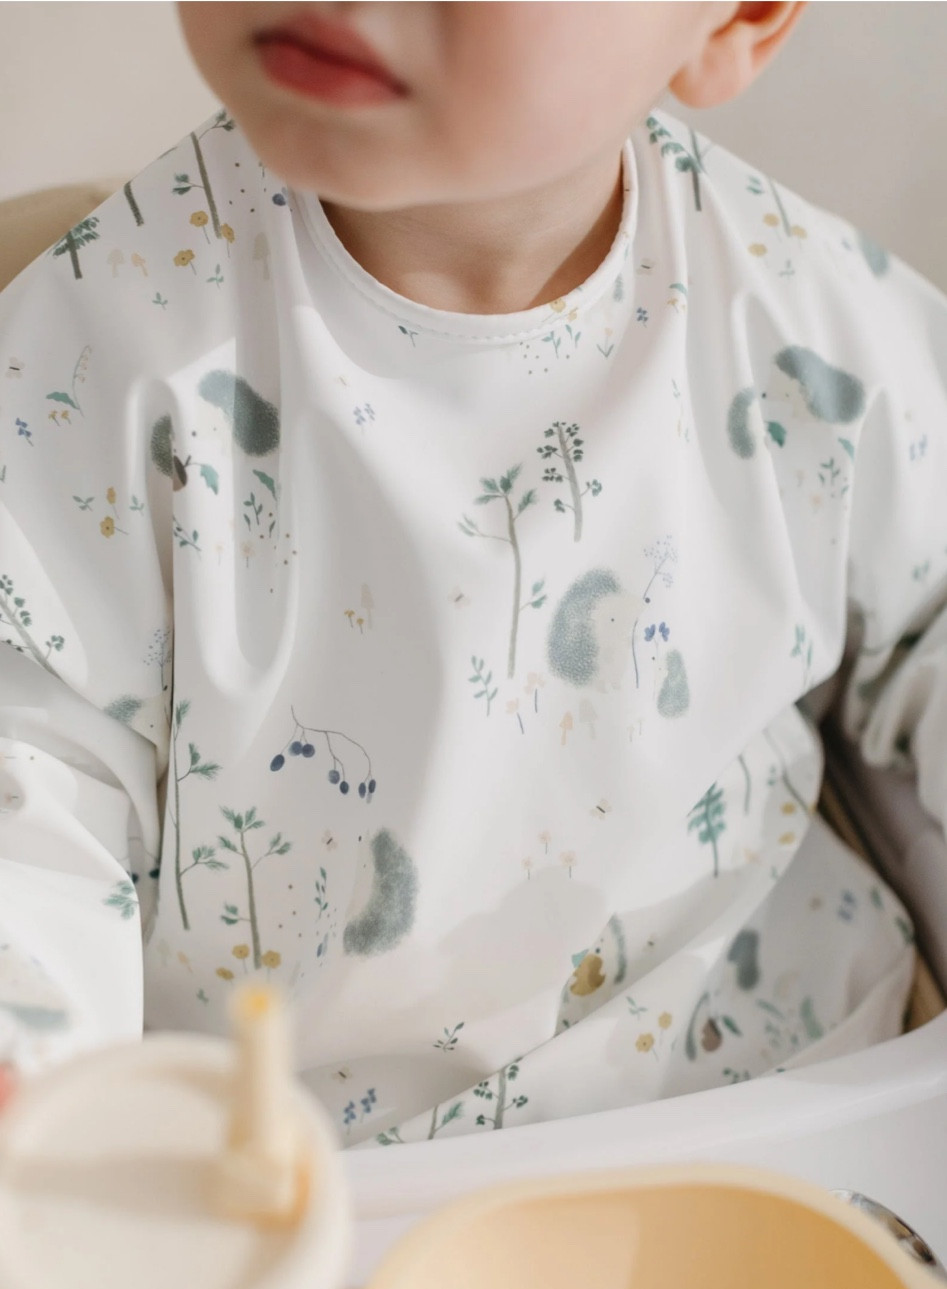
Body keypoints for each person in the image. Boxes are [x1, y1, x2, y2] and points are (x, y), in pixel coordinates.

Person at [0, 1, 944, 1146]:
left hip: (794, 1109)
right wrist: (37, 1082)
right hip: (319, 1180)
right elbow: (28, 784)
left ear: (734, 17)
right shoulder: (94, 365)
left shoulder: (801, 323)